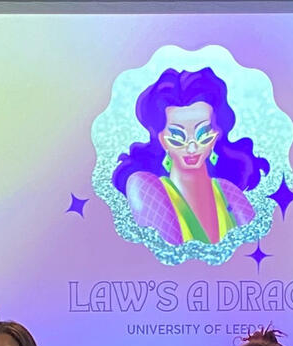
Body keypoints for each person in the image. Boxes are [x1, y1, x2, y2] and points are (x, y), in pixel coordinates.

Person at [112, 67, 269, 245]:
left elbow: (255, 245)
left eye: (203, 134)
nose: (192, 147)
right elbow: (169, 255)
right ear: (162, 139)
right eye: (178, 137)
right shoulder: (144, 187)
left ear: (216, 135)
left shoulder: (229, 192)